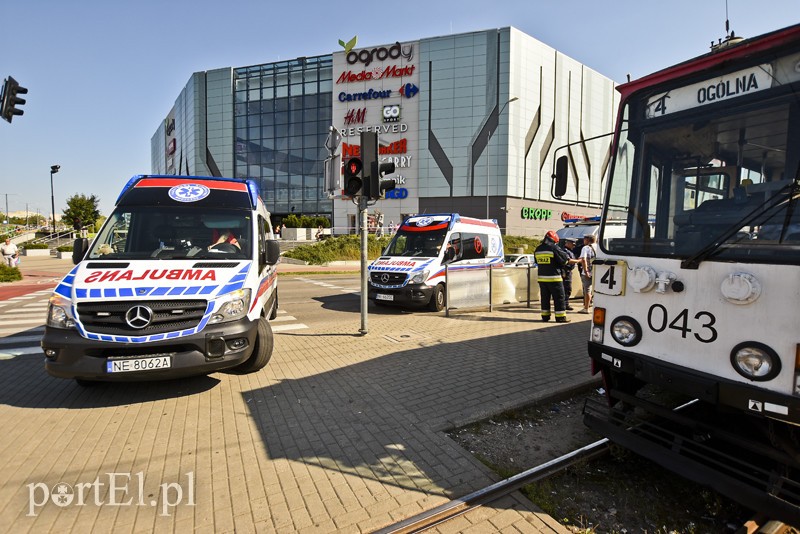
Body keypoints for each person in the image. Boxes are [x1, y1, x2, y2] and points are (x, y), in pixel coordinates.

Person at [534, 230, 570, 323]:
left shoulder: (538, 249)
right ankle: (560, 317)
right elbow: (564, 260)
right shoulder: (554, 248)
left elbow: (537, 262)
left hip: (542, 278)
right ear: (554, 240)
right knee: (559, 298)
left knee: (545, 298)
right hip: (554, 278)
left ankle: (545, 317)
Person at [579, 234, 597, 313]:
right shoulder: (599, 247)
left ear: (587, 240)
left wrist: (586, 271)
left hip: (588, 273)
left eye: (584, 239)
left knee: (587, 290)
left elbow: (583, 259)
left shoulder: (586, 248)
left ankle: (586, 308)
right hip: (597, 273)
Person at [561, 238, 580, 310]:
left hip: (568, 271)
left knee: (567, 288)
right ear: (568, 243)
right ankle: (564, 304)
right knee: (566, 288)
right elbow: (569, 261)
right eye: (573, 244)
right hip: (565, 272)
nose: (574, 246)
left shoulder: (569, 251)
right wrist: (578, 261)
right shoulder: (564, 251)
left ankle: (565, 303)